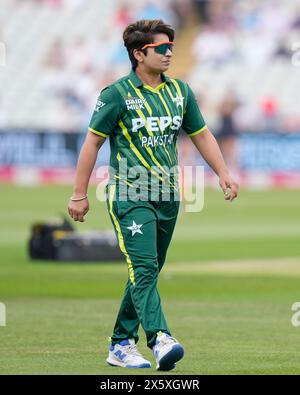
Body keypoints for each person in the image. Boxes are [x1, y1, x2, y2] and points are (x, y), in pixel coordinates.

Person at [68, 19, 238, 371]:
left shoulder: (180, 92)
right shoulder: (115, 94)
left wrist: (222, 173)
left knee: (145, 271)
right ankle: (160, 338)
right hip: (129, 195)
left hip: (168, 195)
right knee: (144, 269)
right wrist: (78, 194)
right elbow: (92, 143)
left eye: (171, 47)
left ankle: (119, 344)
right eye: (162, 49)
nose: (169, 53)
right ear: (138, 53)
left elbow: (202, 135)